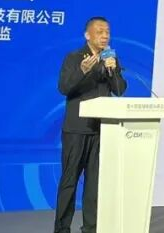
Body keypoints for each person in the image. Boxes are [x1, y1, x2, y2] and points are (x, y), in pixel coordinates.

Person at [54, 16, 126, 233]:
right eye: (100, 32)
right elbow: (64, 87)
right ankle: (62, 229)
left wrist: (113, 70)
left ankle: (91, 228)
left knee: (94, 183)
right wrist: (82, 71)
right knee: (69, 181)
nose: (105, 36)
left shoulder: (110, 58)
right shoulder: (74, 57)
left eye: (107, 32)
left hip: (100, 130)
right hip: (76, 130)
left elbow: (119, 89)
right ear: (87, 35)